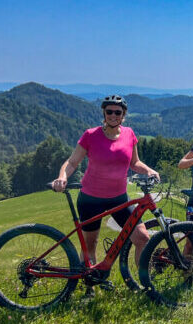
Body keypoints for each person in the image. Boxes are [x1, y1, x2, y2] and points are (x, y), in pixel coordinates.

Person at [52, 95, 159, 294]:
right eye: (109, 111)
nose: (113, 115)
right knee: (90, 247)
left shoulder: (129, 134)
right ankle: (89, 288)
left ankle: (147, 284)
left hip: (119, 198)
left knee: (142, 238)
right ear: (104, 113)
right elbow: (73, 161)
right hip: (91, 198)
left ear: (123, 115)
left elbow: (134, 163)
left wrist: (149, 170)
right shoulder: (90, 135)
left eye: (117, 112)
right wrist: (62, 177)